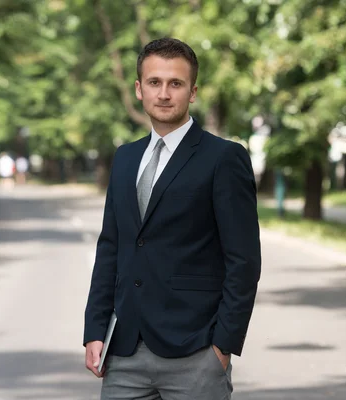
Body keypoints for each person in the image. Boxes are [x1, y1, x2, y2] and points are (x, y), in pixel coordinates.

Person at [83, 38, 261, 399]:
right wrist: (95, 329)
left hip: (195, 353)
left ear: (192, 92)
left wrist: (222, 347)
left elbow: (243, 261)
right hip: (124, 351)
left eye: (175, 84)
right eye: (154, 82)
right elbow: (111, 247)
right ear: (139, 89)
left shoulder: (224, 158)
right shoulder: (125, 158)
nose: (164, 93)